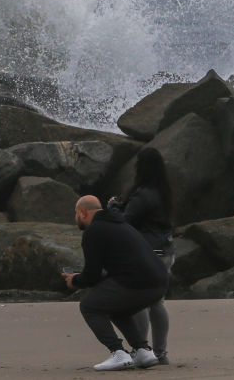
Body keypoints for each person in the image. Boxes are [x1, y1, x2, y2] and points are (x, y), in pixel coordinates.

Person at [63, 195, 168, 372]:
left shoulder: (93, 231)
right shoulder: (122, 224)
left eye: (75, 213)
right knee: (115, 307)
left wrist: (74, 280)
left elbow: (91, 276)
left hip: (138, 282)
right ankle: (143, 351)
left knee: (89, 306)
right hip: (159, 283)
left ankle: (118, 353)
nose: (76, 218)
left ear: (82, 213)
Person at [108, 148, 175, 365]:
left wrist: (112, 208)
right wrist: (120, 205)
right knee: (157, 302)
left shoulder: (143, 193)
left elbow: (126, 221)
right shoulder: (163, 192)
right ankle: (160, 353)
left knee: (140, 302)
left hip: (149, 253)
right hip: (166, 251)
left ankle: (141, 349)